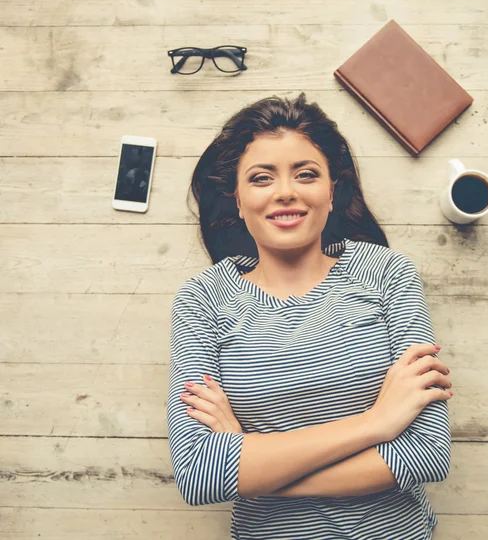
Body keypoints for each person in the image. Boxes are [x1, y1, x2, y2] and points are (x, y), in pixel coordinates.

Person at [166, 92, 453, 540]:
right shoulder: (203, 300)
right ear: (238, 200)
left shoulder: (388, 274)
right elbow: (199, 474)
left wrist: (252, 461)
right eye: (262, 178)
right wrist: (375, 423)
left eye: (306, 174)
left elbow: (427, 453)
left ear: (331, 192)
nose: (286, 192)